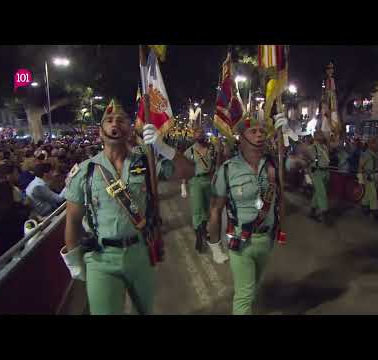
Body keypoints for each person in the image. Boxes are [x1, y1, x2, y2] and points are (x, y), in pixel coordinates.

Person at [60, 99, 194, 315]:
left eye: (121, 120)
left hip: (140, 253)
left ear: (130, 129)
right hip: (101, 259)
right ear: (101, 132)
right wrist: (74, 262)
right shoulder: (86, 171)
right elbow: (73, 221)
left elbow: (187, 171)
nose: (115, 125)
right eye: (109, 121)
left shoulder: (145, 161)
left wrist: (164, 148)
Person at [208, 112, 288, 315]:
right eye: (254, 131)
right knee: (243, 297)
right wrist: (215, 245)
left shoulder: (273, 165)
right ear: (241, 139)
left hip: (266, 240)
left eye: (262, 131)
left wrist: (286, 135)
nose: (260, 135)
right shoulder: (227, 170)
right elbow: (216, 209)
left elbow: (302, 162)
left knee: (252, 290)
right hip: (241, 240)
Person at [183, 127, 228, 263]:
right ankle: (199, 236)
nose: (200, 135)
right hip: (196, 181)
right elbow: (185, 169)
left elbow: (220, 163)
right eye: (197, 133)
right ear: (193, 136)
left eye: (201, 133)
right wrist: (183, 185)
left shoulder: (212, 149)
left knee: (211, 210)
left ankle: (209, 232)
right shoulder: (189, 151)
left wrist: (222, 151)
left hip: (210, 180)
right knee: (197, 210)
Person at [303, 131, 332, 225]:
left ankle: (312, 211)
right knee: (322, 192)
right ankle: (325, 213)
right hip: (316, 172)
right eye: (320, 135)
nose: (322, 136)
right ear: (315, 136)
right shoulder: (310, 148)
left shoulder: (325, 147)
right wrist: (307, 176)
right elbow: (305, 162)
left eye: (322, 135)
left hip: (326, 171)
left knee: (318, 192)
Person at [357, 137, 378, 223]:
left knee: (368, 193)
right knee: (373, 194)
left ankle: (364, 206)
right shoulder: (365, 154)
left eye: (377, 143)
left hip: (376, 175)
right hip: (369, 175)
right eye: (374, 143)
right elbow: (360, 166)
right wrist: (360, 179)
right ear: (370, 144)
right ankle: (375, 213)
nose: (377, 145)